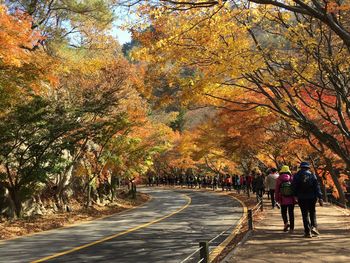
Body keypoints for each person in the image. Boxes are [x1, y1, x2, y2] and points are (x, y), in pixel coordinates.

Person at [292, 161, 323, 238]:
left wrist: (295, 196)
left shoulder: (297, 175)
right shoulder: (312, 175)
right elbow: (317, 187)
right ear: (308, 167)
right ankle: (314, 227)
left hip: (301, 197)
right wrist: (320, 197)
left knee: (304, 214)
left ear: (301, 167)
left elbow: (294, 186)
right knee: (312, 212)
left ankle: (307, 232)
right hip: (312, 197)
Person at [275, 165, 296, 233]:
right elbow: (294, 188)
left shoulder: (279, 179)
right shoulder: (291, 178)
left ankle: (286, 223)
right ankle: (292, 228)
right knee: (291, 213)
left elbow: (277, 190)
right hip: (291, 199)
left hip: (282, 199)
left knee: (284, 212)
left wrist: (276, 199)